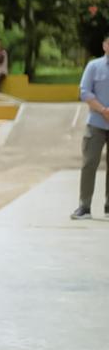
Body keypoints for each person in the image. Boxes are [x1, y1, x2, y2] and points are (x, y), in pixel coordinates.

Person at [74, 33, 109, 220]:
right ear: (104, 45)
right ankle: (84, 206)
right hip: (96, 123)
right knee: (89, 164)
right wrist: (103, 110)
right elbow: (84, 92)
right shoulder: (94, 66)